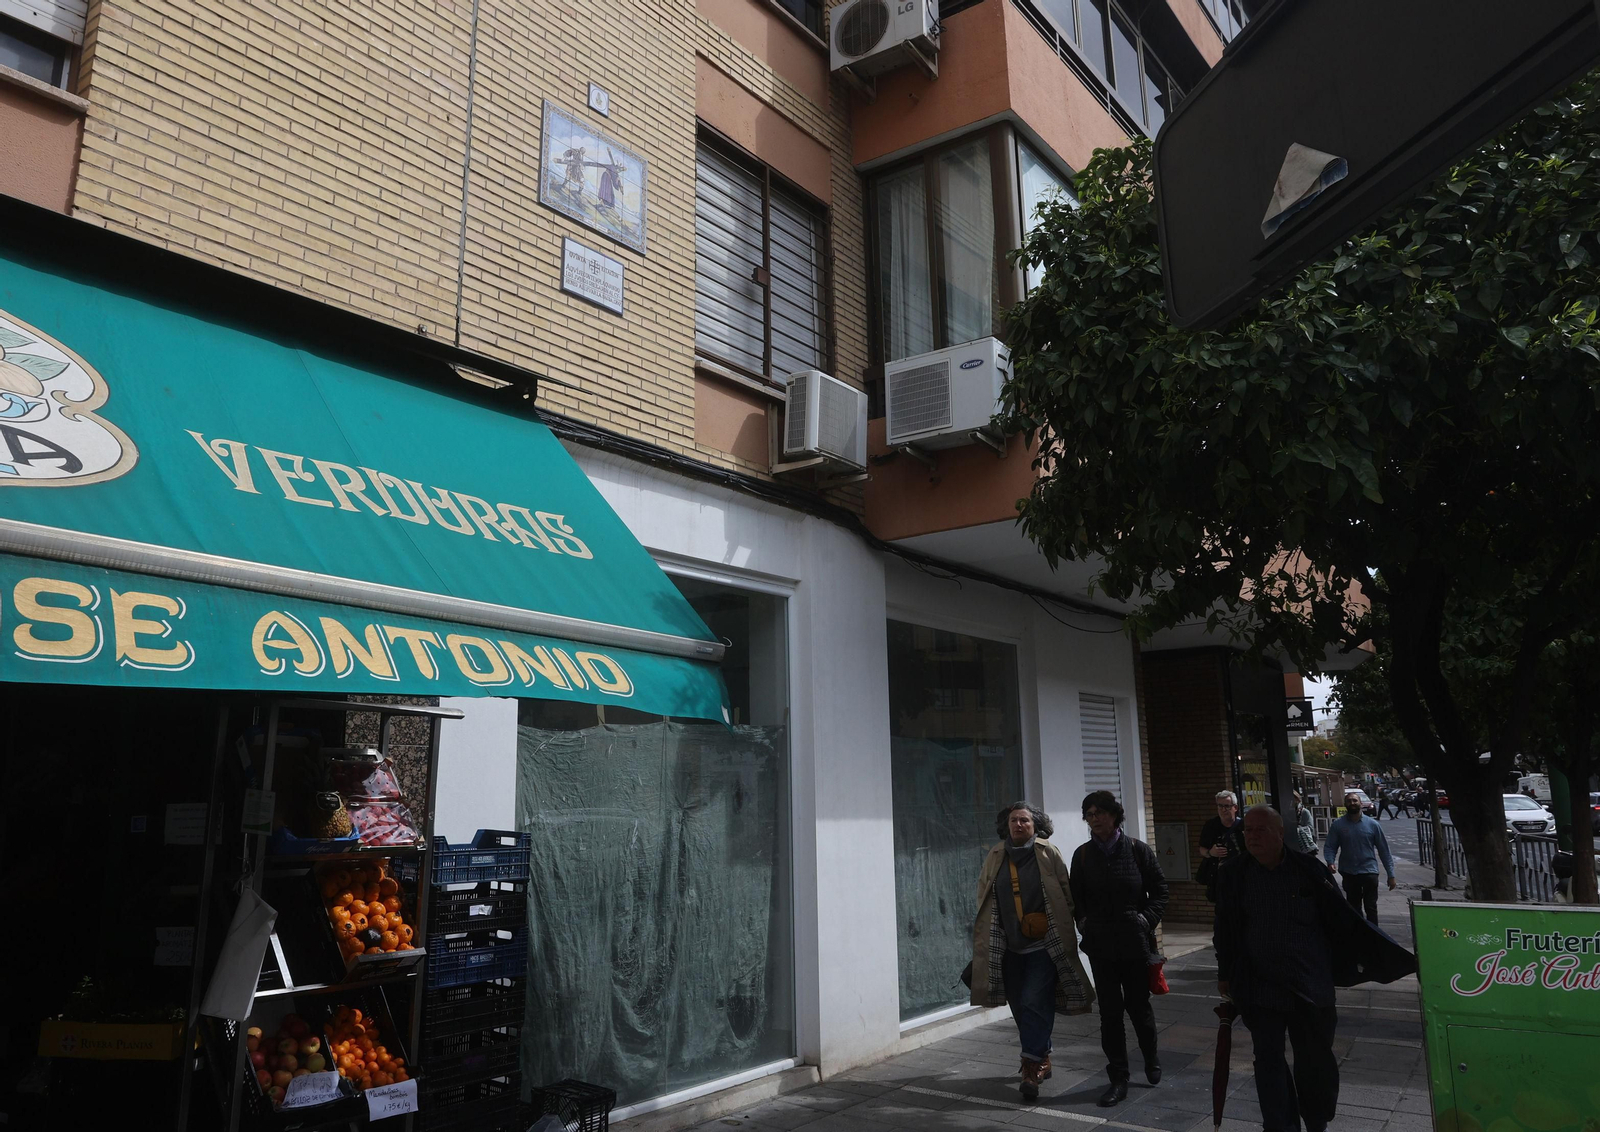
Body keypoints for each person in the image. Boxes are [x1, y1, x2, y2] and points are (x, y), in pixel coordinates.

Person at [1214, 806, 1416, 1132]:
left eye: (1260, 830)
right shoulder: (1234, 875)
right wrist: (1224, 973)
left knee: (1314, 1061)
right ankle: (1280, 1125)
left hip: (1308, 984)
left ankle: (1317, 1121)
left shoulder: (1308, 870)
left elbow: (1342, 921)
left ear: (1280, 834)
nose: (1252, 836)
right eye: (1248, 830)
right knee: (1268, 1061)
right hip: (1259, 984)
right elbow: (1224, 926)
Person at [969, 802, 1096, 1101]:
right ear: (1006, 826)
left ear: (1035, 826)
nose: (1018, 825)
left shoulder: (1047, 852)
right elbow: (984, 892)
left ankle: (1030, 1067)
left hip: (1043, 944)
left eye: (1024, 820)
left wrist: (1075, 925)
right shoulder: (996, 855)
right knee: (1020, 1006)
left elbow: (1065, 891)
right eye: (1014, 820)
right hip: (1008, 946)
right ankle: (1042, 1054)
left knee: (1033, 1000)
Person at [1068, 791, 1169, 1108]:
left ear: (1115, 815)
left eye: (1100, 812)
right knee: (1110, 1014)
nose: (1094, 819)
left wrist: (1144, 920)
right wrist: (1084, 922)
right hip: (1101, 947)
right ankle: (1118, 1078)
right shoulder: (1082, 856)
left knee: (1139, 1008)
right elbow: (1076, 898)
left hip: (1135, 944)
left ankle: (1151, 1057)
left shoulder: (1138, 851)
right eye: (1089, 814)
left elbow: (1161, 892)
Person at [1324, 792, 1396, 925]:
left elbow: (1384, 850)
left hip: (1369, 871)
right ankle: (1359, 935)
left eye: (1355, 801)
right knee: (1353, 907)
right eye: (1349, 801)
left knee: (1371, 907)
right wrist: (1330, 861)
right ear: (1345, 804)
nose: (1352, 803)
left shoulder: (1373, 825)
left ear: (1361, 804)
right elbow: (1330, 846)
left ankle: (1374, 935)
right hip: (1349, 872)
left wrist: (1391, 875)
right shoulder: (1338, 825)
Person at [1196, 790, 1245, 902]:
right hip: (1219, 878)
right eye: (1220, 806)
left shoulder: (1244, 825)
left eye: (1227, 806)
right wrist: (1210, 853)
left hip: (1241, 876)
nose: (1223, 810)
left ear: (1235, 808)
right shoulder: (1211, 826)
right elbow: (1202, 848)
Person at [1290, 789, 1318, 854]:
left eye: (1293, 799)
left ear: (1297, 800)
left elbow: (1310, 828)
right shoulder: (1289, 812)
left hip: (1305, 844)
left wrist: (1298, 829)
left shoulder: (1304, 812)